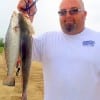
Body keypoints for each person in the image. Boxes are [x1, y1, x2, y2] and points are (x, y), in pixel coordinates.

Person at [17, 0, 100, 100]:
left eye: (74, 10)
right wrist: (24, 17)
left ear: (85, 14)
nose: (68, 15)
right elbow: (20, 47)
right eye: (63, 12)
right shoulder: (47, 40)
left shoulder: (97, 40)